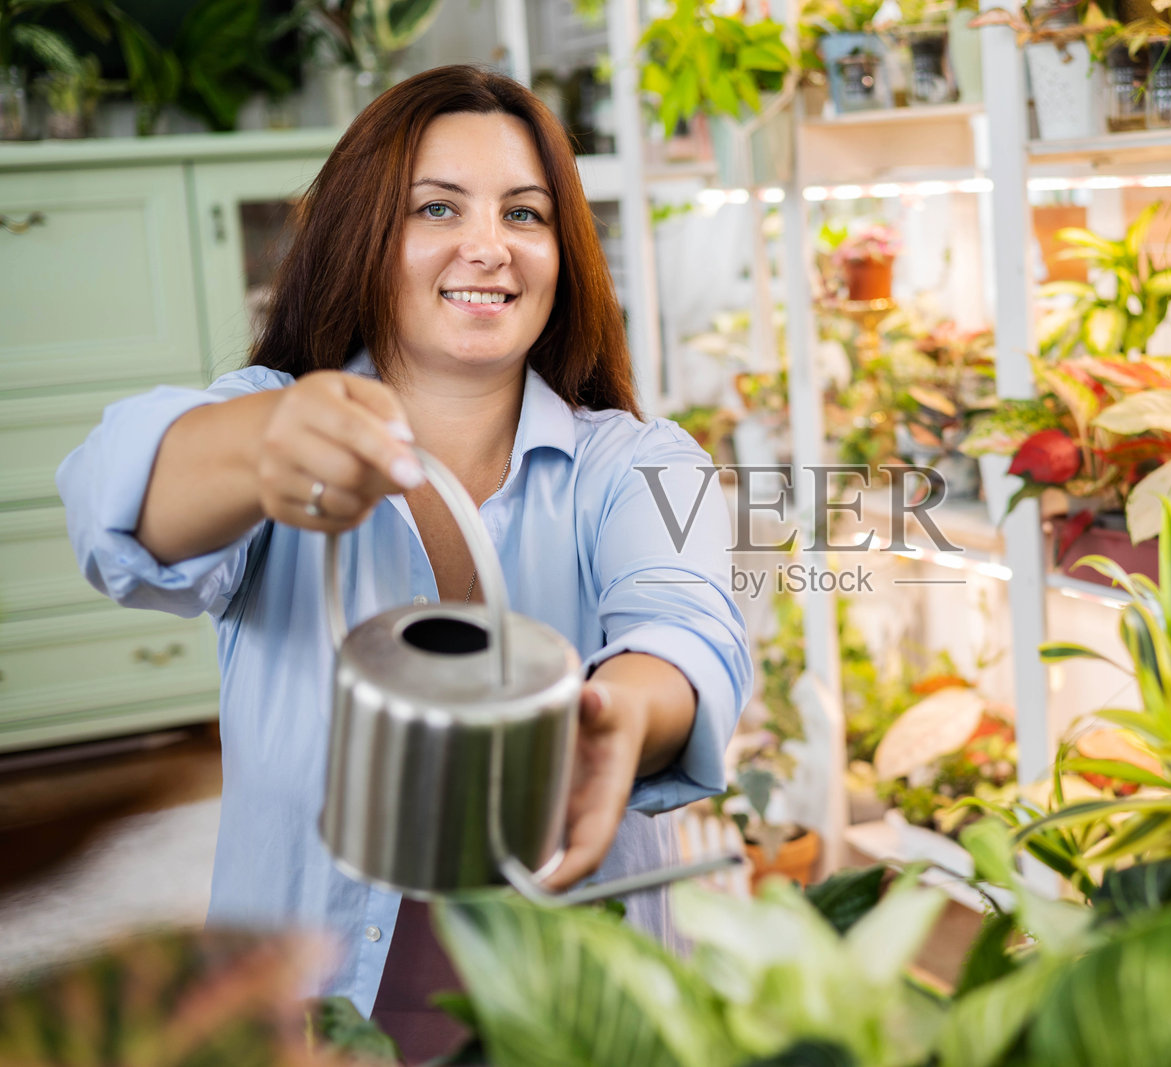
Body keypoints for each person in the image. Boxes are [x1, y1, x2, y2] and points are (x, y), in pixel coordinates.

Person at [56, 65, 751, 1063]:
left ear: (563, 253)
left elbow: (685, 626)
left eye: (526, 213)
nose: (488, 245)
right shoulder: (273, 425)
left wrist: (622, 715)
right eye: (436, 207)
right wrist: (266, 440)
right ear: (365, 237)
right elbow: (116, 503)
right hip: (308, 1016)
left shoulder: (640, 460)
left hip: (574, 1019)